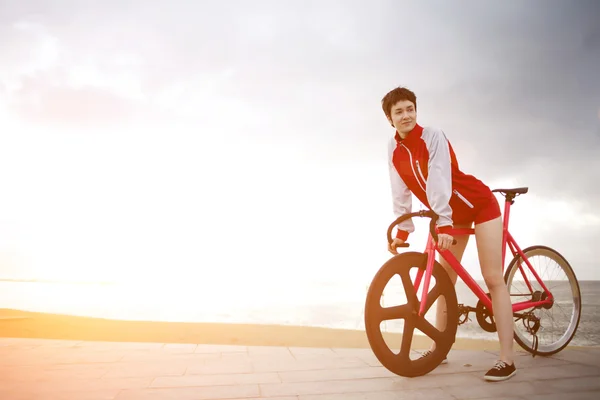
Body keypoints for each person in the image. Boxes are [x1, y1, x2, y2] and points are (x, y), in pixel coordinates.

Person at [383, 86, 517, 382]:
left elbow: (439, 178)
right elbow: (400, 191)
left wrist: (443, 222)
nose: (406, 115)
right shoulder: (393, 149)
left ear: (416, 110)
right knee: (444, 281)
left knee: (493, 277)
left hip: (477, 204)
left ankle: (507, 359)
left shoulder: (433, 136)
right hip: (447, 215)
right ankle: (438, 348)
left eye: (410, 109)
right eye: (399, 112)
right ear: (390, 119)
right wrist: (404, 230)